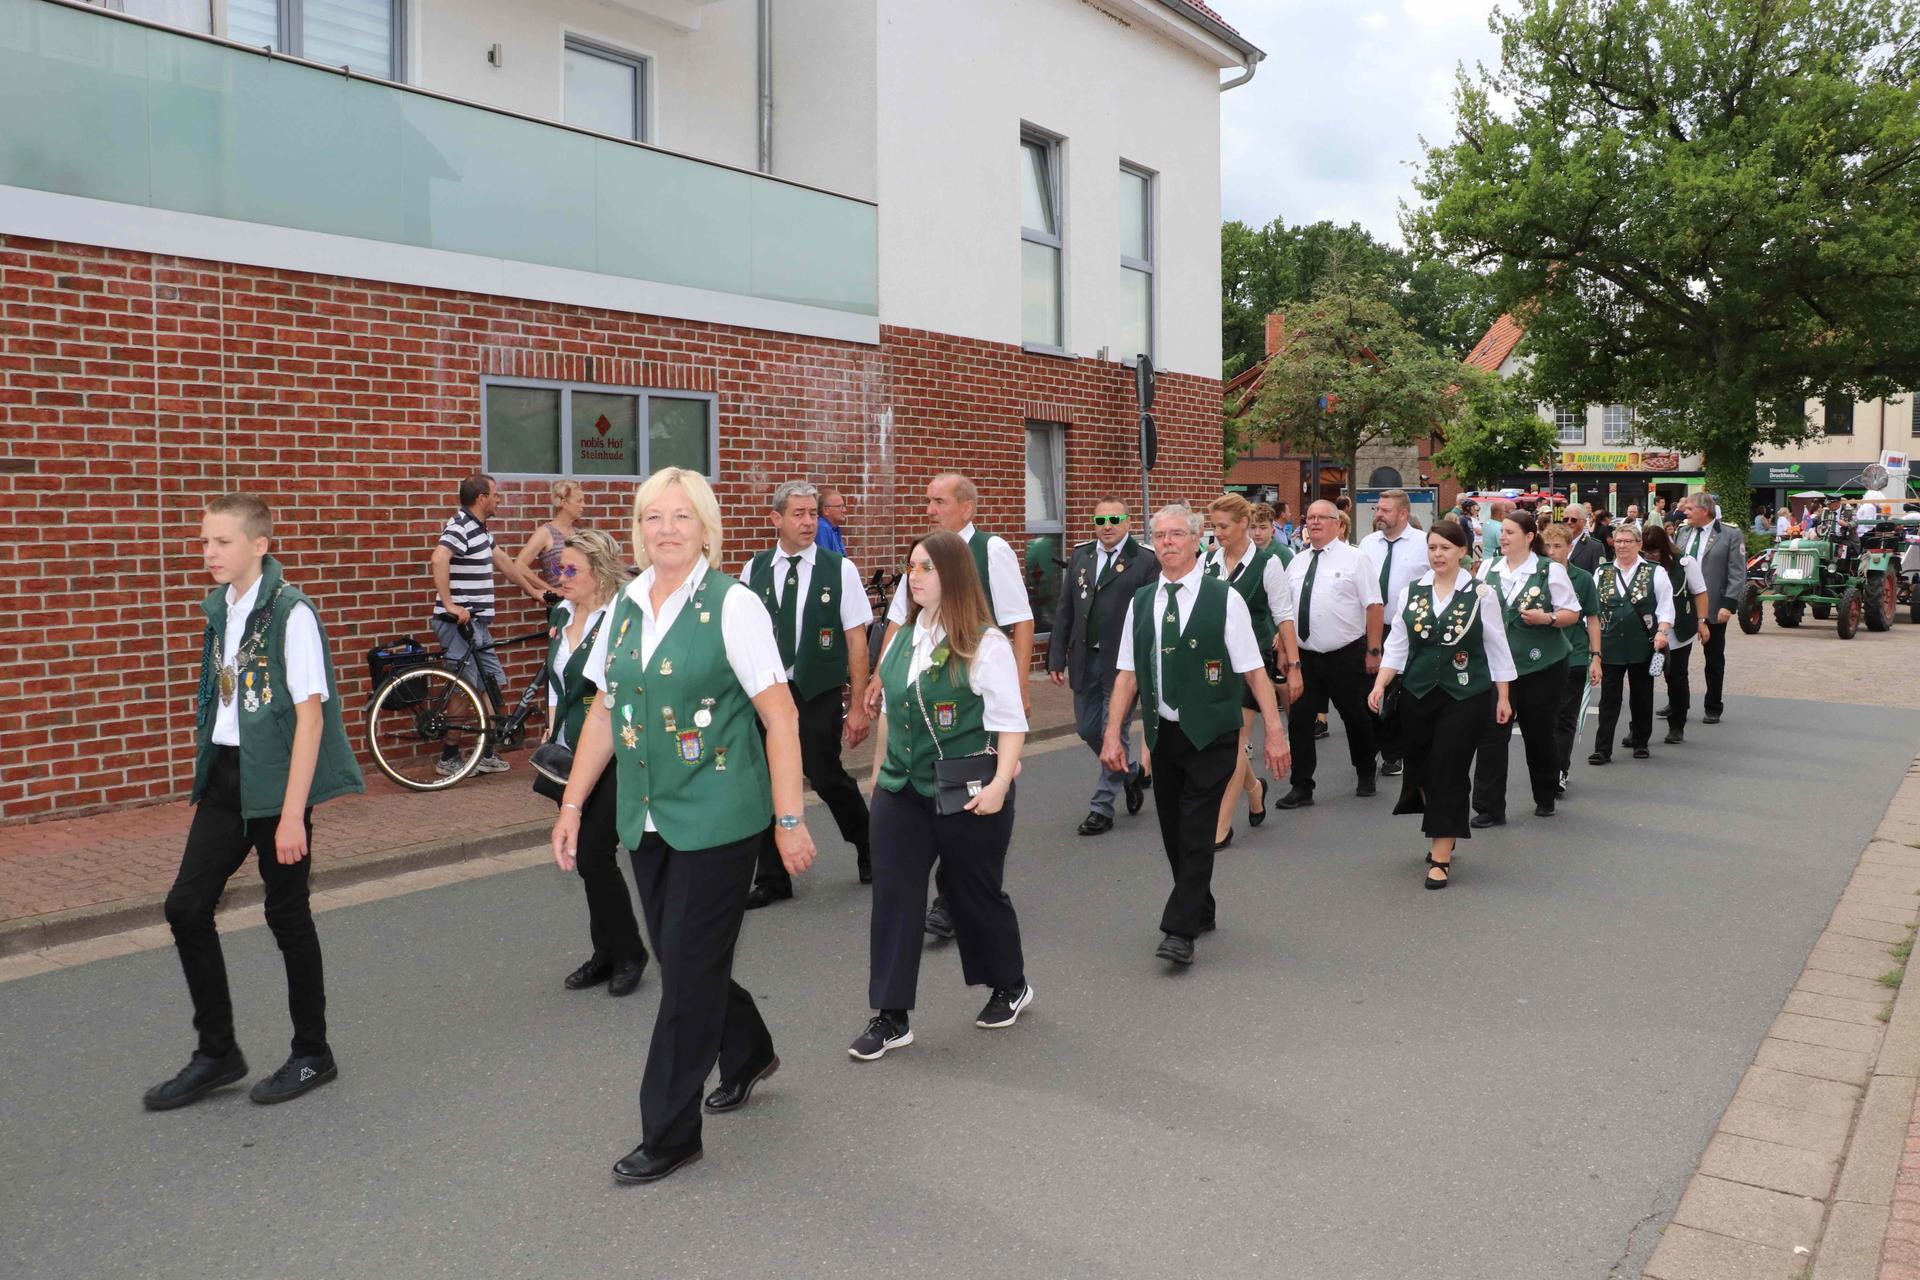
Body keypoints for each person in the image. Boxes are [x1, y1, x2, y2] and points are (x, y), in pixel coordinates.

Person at [551, 467, 818, 1186]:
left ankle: (669, 1131)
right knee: (682, 957)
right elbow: (605, 712)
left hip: (722, 820)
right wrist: (574, 805)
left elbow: (781, 717)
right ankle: (750, 1048)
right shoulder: (626, 606)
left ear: (706, 528)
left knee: (686, 976)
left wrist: (789, 820)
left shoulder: (734, 607)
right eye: (652, 518)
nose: (665, 530)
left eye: (680, 517)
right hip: (648, 817)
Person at [145, 494, 365, 1112]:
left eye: (222, 541)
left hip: (275, 786)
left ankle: (312, 1053)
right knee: (186, 907)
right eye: (205, 542)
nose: (209, 553)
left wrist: (293, 812)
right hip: (226, 780)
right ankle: (217, 1053)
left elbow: (310, 718)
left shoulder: (291, 613)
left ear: (259, 546)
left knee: (286, 915)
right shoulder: (222, 611)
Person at [854, 531, 1032, 1060]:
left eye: (926, 568)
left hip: (967, 790)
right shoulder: (900, 635)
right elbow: (890, 710)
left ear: (952, 575)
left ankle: (1010, 984)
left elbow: (1010, 723)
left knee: (973, 893)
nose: (914, 576)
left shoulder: (986, 643)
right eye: (911, 566)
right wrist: (876, 774)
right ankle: (890, 1016)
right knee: (894, 897)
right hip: (900, 789)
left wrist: (1000, 785)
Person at [1101, 505, 1290, 965]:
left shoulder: (1224, 599)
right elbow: (1127, 674)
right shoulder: (1142, 601)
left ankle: (1179, 930)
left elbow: (1254, 672)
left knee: (1198, 828)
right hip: (1164, 735)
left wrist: (1275, 732)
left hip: (1212, 733)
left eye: (1177, 534)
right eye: (1160, 535)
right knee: (1172, 831)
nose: (1167, 542)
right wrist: (1113, 733)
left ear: (1197, 540)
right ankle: (1200, 907)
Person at [870, 473, 1034, 941]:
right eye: (927, 501)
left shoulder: (992, 551)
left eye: (939, 501)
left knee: (960, 805)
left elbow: (1021, 620)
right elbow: (900, 624)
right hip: (923, 691)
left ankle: (954, 896)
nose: (930, 509)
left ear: (967, 507)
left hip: (973, 691)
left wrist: (1017, 688)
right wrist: (883, 677)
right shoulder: (921, 564)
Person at [740, 481, 874, 905]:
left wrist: (857, 707)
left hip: (816, 689)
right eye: (797, 514)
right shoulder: (753, 569)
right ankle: (773, 877)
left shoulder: (840, 569)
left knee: (824, 773)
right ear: (775, 519)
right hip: (767, 691)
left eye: (813, 513)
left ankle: (870, 847)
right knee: (761, 780)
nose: (808, 521)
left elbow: (856, 640)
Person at [1368, 519, 1514, 889]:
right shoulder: (1411, 592)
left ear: (1462, 552)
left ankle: (1441, 855)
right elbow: (1398, 644)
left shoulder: (1482, 593)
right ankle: (1440, 822)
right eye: (1432, 548)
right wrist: (1381, 683)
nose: (1438, 555)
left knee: (1448, 768)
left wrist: (1504, 697)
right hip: (1418, 693)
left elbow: (1497, 648)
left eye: (1446, 548)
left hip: (1465, 694)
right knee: (1421, 768)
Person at [545, 528, 648, 997]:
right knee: (586, 859)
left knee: (593, 855)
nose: (560, 577)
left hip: (614, 752)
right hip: (572, 755)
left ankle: (629, 952)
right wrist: (551, 736)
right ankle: (604, 951)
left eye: (570, 570)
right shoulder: (561, 615)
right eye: (557, 569)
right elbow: (555, 686)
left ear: (599, 573)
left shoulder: (619, 618)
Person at [1048, 499, 1159, 835]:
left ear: (1126, 521)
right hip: (1084, 659)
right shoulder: (1082, 555)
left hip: (1123, 663)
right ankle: (1130, 773)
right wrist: (1055, 657)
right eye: (1100, 519)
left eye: (1114, 518)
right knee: (1086, 728)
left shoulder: (1145, 560)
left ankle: (1102, 807)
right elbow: (1065, 608)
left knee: (1116, 730)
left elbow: (1151, 615)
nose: (1107, 525)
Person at [1469, 510, 1580, 823]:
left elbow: (1572, 613)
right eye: (1501, 531)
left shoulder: (1549, 570)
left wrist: (1547, 618)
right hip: (1497, 666)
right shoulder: (1488, 568)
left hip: (1541, 665)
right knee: (1491, 733)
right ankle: (1489, 808)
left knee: (1539, 731)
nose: (1502, 537)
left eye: (1510, 532)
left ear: (1530, 537)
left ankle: (1545, 795)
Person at [1204, 494, 1301, 847]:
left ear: (1244, 523)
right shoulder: (1208, 562)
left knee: (1236, 742)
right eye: (1213, 526)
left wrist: (1293, 665)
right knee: (1225, 741)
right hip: (1215, 664)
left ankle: (1221, 824)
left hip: (1252, 660)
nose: (1217, 533)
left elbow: (1283, 615)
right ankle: (1254, 788)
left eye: (1223, 526)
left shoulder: (1267, 564)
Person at [430, 473, 542, 775]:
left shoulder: (479, 529)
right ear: (481, 498)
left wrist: (536, 593)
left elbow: (504, 562)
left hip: (477, 626)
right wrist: (450, 604)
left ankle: (487, 751)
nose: (498, 499)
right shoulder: (460, 526)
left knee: (489, 685)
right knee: (464, 689)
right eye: (495, 494)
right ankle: (448, 757)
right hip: (458, 625)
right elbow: (439, 559)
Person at [1274, 500, 1383, 809]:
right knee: (1300, 722)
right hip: (1306, 657)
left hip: (1346, 654)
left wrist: (1373, 651)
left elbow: (1374, 606)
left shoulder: (1355, 559)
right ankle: (1301, 786)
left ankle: (1365, 771)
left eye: (1323, 517)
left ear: (1338, 524)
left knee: (1357, 717)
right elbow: (1286, 611)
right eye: (1310, 518)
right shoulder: (1296, 562)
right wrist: (1283, 647)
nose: (1316, 522)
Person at [1588, 523, 1674, 764]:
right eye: (1619, 541)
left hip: (1642, 643)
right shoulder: (1602, 572)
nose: (1622, 545)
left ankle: (1641, 742)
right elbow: (1592, 610)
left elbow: (1666, 606)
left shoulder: (1654, 571)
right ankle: (1602, 749)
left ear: (1639, 544)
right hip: (1610, 643)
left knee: (1641, 695)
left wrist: (1662, 632)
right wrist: (1592, 643)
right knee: (1609, 699)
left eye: (1628, 541)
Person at [1360, 489, 1428, 779]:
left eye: (1385, 510)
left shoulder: (1423, 543)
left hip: (1408, 628)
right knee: (1370, 688)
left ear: (1402, 514)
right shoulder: (1367, 544)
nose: (1378, 515)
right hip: (1372, 627)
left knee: (1398, 691)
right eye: (1378, 509)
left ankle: (1394, 753)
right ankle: (1373, 746)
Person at [1540, 522, 1602, 794]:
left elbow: (1592, 618)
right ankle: (1544, 768)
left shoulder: (1583, 579)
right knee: (1544, 719)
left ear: (1569, 548)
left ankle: (1559, 770)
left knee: (1565, 718)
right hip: (1541, 658)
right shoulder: (1536, 577)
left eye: (1558, 546)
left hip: (1574, 655)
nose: (1552, 552)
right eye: (1548, 546)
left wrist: (1596, 656)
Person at [1675, 493, 1747, 725]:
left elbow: (1737, 572)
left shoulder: (1730, 534)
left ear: (1705, 510)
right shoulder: (1683, 532)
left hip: (1715, 604)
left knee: (1714, 658)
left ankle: (1713, 705)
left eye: (1689, 508)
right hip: (1684, 605)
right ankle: (1677, 703)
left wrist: (1729, 604)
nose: (1684, 512)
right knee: (1676, 660)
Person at [1642, 524, 1710, 744]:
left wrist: (1702, 622)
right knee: (1642, 679)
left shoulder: (1685, 563)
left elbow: (1699, 592)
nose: (1651, 556)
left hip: (1678, 631)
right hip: (1646, 632)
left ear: (1665, 547)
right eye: (1647, 551)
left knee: (1676, 678)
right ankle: (1639, 730)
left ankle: (1677, 725)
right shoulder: (1640, 565)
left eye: (1655, 551)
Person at [514, 479, 586, 601]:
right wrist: (550, 589)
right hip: (560, 604)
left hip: (580, 601)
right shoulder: (546, 532)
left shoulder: (578, 534)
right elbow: (519, 566)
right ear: (564, 502)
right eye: (579, 501)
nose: (584, 505)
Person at [1564, 504, 1605, 574]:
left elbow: (1599, 575)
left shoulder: (1594, 547)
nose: (1569, 522)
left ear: (1584, 522)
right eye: (1566, 519)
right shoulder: (1556, 543)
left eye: (1573, 520)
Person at [816, 486, 850, 555]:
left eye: (844, 506)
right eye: (840, 507)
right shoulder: (822, 528)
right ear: (826, 510)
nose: (844, 510)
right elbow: (825, 560)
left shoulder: (834, 529)